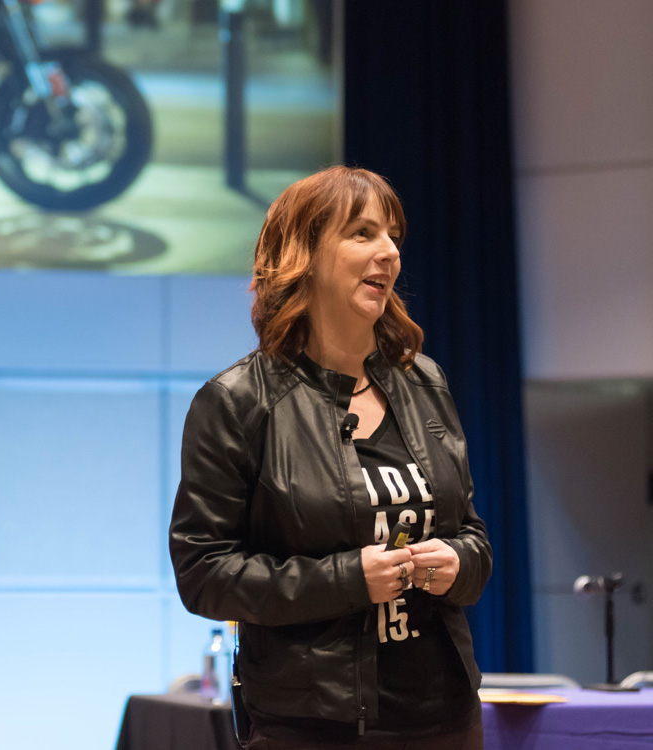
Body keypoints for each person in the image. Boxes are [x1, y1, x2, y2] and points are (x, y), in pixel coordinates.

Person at [169, 165, 491, 749]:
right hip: (311, 724)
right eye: (363, 233)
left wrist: (459, 562)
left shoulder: (425, 381)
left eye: (393, 235)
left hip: (444, 714)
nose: (390, 252)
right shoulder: (240, 401)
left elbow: (472, 534)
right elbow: (204, 573)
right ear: (305, 255)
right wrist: (346, 579)